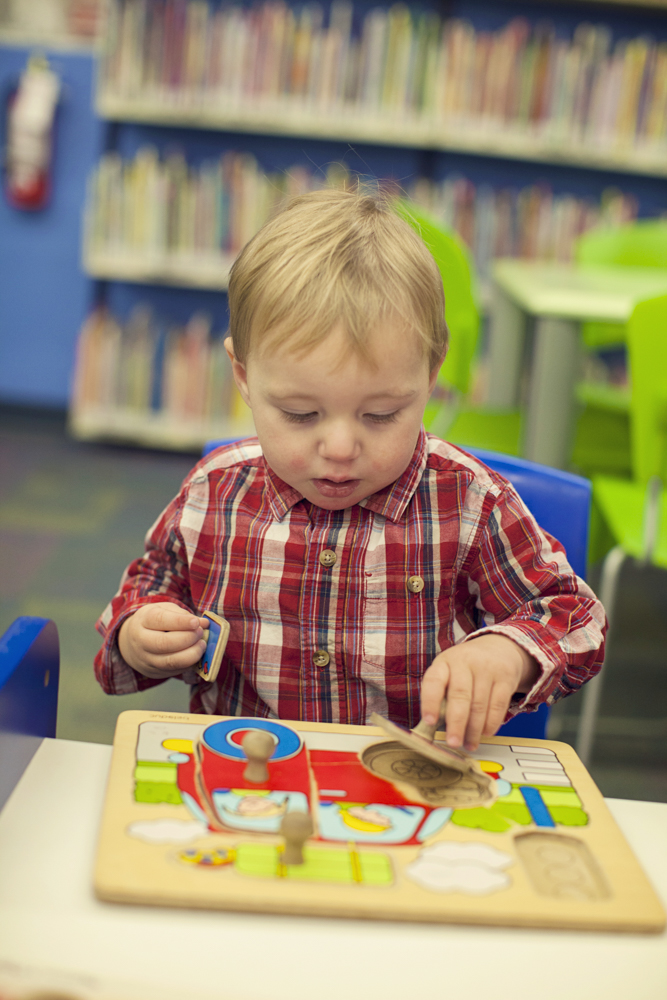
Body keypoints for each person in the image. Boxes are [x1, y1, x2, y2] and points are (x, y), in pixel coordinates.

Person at [94, 189, 606, 752]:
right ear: (242, 374)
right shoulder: (212, 493)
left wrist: (509, 652)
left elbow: (576, 616)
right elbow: (149, 584)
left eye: (381, 414)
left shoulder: (468, 502)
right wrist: (138, 631)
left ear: (431, 375)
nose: (339, 448)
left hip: (409, 786)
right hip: (248, 780)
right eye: (300, 413)